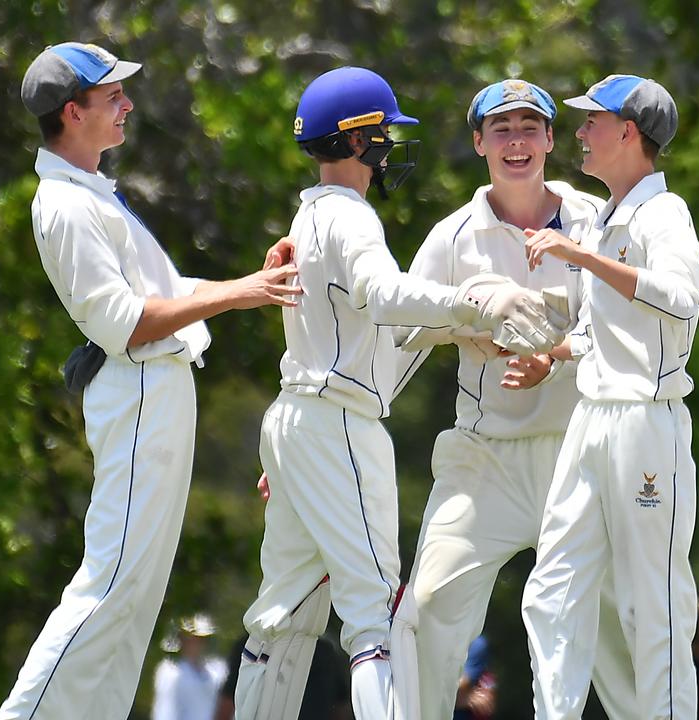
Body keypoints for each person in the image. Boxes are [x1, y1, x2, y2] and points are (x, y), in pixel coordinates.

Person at [232, 66, 565, 720]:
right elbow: (386, 300)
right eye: (383, 133)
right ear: (357, 141)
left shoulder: (308, 214)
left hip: (297, 418)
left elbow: (399, 333)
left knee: (280, 615)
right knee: (375, 618)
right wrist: (475, 304)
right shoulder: (352, 219)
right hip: (340, 424)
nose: (391, 144)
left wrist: (295, 462)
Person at [0, 42, 300, 720]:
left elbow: (160, 293)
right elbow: (124, 323)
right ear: (73, 113)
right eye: (112, 97)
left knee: (134, 596)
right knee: (109, 587)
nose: (127, 104)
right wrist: (239, 292)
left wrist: (251, 286)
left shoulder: (90, 193)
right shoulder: (66, 204)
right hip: (136, 390)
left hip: (154, 389)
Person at [396, 78, 638, 720]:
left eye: (530, 128)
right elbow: (399, 334)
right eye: (500, 130)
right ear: (478, 143)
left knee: (617, 626)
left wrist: (552, 358)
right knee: (424, 611)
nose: (516, 142)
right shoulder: (454, 238)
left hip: (578, 452)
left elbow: (624, 329)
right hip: (484, 460)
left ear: (553, 139)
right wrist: (471, 321)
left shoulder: (595, 220)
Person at [520, 74, 699, 719]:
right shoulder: (609, 215)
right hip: (592, 417)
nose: (579, 133)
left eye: (591, 122)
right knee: (548, 593)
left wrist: (582, 255)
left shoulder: (665, 212)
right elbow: (601, 331)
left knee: (649, 603)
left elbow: (682, 299)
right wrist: (553, 355)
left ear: (628, 133)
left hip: (646, 424)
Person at [153, 614, 229, 720]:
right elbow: (165, 712)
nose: (196, 644)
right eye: (190, 639)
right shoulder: (169, 673)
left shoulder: (217, 672)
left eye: (200, 639)